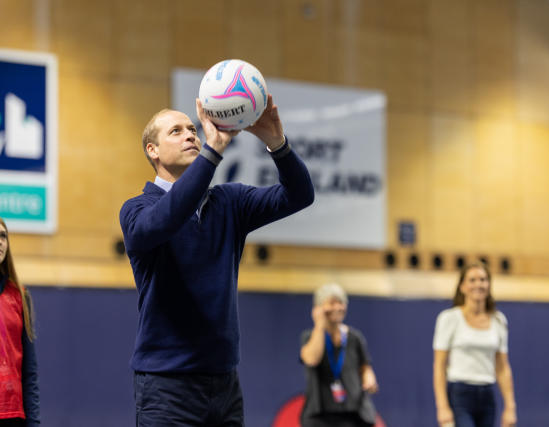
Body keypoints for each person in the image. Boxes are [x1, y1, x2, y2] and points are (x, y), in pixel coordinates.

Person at [119, 94, 314, 426]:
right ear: (153, 150)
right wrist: (213, 151)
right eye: (176, 131)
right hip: (167, 386)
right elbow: (167, 218)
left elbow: (299, 195)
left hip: (224, 383)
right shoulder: (136, 209)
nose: (190, 135)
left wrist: (277, 144)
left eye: (192, 129)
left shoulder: (230, 202)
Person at [432, 262, 517, 427]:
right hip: (460, 393)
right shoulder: (449, 319)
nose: (478, 284)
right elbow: (440, 365)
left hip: (486, 395)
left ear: (489, 285)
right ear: (462, 286)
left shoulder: (499, 320)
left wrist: (510, 406)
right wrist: (442, 406)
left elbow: (502, 367)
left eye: (483, 280)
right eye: (472, 280)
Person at [299, 283, 379, 427]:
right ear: (319, 308)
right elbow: (311, 359)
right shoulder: (310, 336)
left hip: (353, 413)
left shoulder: (354, 337)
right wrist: (319, 324)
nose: (337, 307)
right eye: (331, 303)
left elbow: (365, 366)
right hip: (320, 416)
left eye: (340, 303)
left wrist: (369, 378)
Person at [0, 218, 40, 427]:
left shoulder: (20, 296)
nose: (0, 242)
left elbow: (30, 371)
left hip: (12, 414)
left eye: (3, 236)